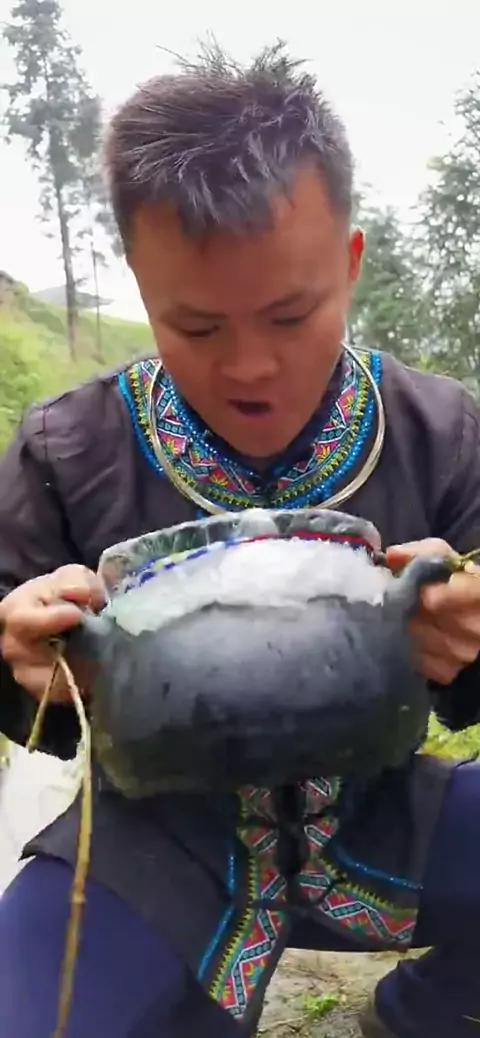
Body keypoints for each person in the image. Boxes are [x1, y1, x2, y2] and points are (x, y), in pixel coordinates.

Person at [1, 43, 480, 1038]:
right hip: (150, 849)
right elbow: (19, 691)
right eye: (198, 327)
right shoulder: (66, 450)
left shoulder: (440, 431)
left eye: (291, 314)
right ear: (142, 287)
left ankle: (433, 1008)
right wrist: (19, 658)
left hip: (389, 824)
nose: (252, 366)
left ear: (348, 263)